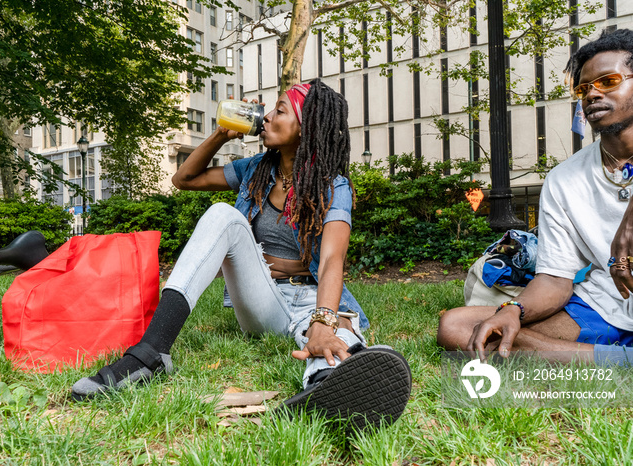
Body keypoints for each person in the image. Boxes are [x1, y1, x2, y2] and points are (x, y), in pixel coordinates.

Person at [72, 79, 411, 428]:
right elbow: (185, 179)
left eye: (280, 110)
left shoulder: (332, 186)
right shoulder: (255, 171)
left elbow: (330, 261)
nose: (266, 117)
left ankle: (325, 385)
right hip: (262, 298)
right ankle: (151, 353)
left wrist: (323, 320)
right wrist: (221, 134)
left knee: (338, 333)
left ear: (306, 127)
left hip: (312, 297)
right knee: (223, 215)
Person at [437, 29, 633, 367]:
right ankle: (617, 360)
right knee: (457, 327)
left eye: (608, 81)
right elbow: (556, 279)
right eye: (583, 88)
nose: (592, 94)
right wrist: (513, 309)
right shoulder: (564, 179)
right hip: (607, 306)